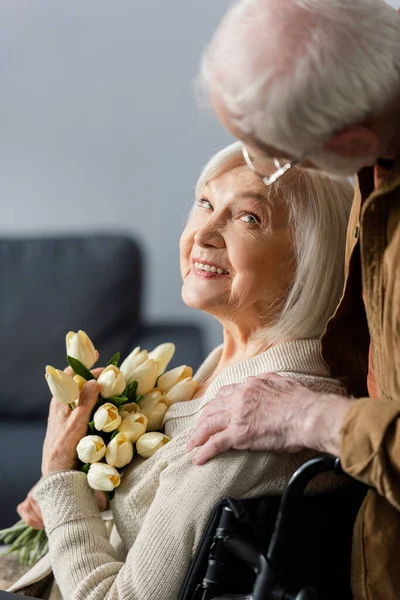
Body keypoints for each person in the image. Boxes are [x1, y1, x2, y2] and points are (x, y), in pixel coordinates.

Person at [7, 142, 353, 599]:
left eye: (249, 218)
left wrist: (56, 473)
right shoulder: (225, 371)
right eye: (206, 203)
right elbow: (163, 520)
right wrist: (79, 502)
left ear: (310, 259)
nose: (204, 233)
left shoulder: (250, 424)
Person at [188, 1, 400, 598]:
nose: (253, 167)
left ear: (354, 138)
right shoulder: (375, 151)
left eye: (276, 157)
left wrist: (310, 418)